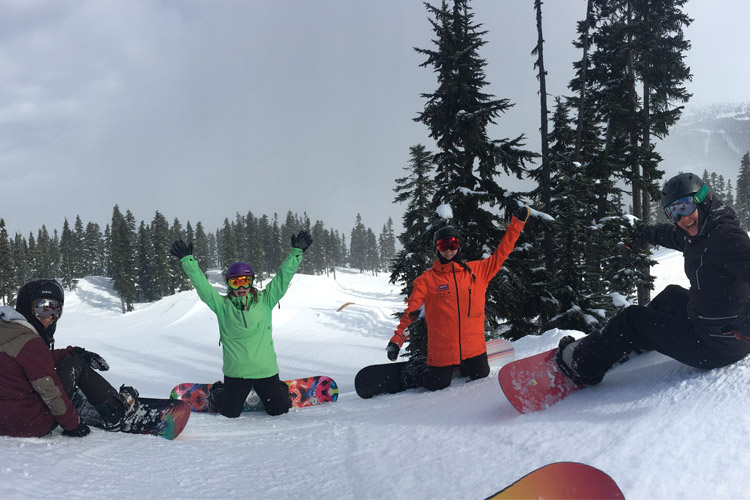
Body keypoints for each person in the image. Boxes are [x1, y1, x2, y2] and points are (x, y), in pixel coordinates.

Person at [556, 173, 750, 386]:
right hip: (713, 322)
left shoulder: (725, 238)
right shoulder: (703, 230)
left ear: (702, 200)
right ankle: (639, 340)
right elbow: (671, 235)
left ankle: (581, 366)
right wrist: (642, 235)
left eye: (685, 207)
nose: (682, 219)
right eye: (673, 212)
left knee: (633, 319)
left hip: (716, 345)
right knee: (672, 295)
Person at [170, 230, 312, 417]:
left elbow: (282, 279)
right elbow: (202, 286)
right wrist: (188, 261)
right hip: (236, 373)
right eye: (236, 283)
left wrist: (296, 253)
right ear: (230, 284)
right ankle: (219, 391)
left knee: (279, 410)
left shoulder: (266, 300)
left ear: (252, 281)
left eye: (245, 281)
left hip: (265, 371)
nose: (242, 287)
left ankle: (279, 389)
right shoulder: (222, 306)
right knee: (230, 413)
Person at [387, 206, 529, 391]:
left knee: (481, 374)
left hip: (474, 348)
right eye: (443, 246)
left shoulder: (478, 271)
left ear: (459, 246)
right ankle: (416, 368)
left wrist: (516, 225)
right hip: (443, 350)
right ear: (437, 249)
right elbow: (412, 310)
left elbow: (502, 252)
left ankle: (461, 364)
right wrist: (397, 338)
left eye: (453, 244)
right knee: (437, 384)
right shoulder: (427, 280)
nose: (449, 251)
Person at [0, 279, 139, 438]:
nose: (50, 317)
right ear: (27, 306)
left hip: (5, 422)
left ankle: (75, 401)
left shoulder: (9, 331)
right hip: (31, 425)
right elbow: (51, 393)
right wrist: (74, 425)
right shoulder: (31, 344)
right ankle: (117, 412)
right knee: (76, 364)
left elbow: (30, 361)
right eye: (43, 308)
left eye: (56, 310)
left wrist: (71, 351)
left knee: (72, 359)